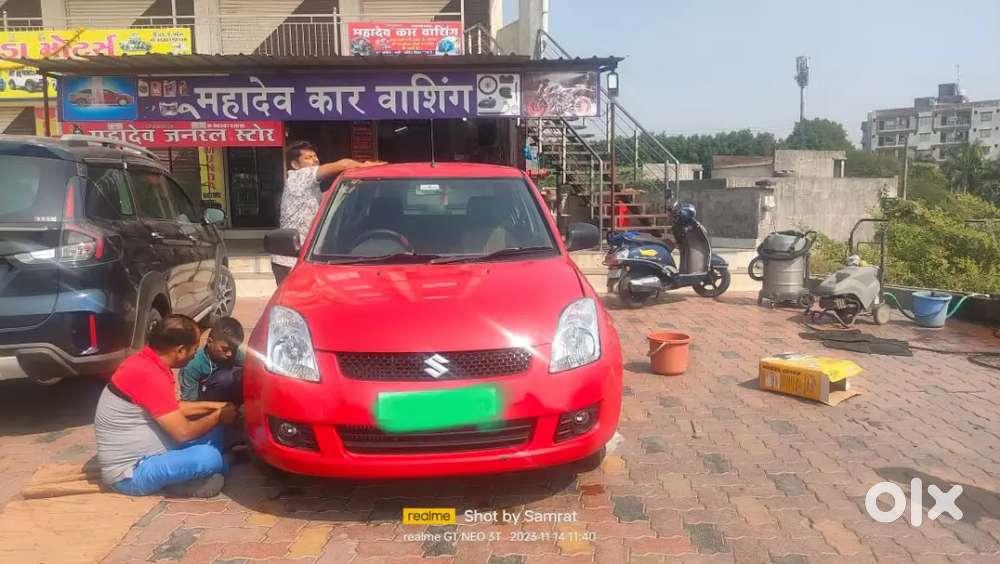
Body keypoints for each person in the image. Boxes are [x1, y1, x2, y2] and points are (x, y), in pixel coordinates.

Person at [94, 314, 237, 498]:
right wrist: (218, 415)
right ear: (180, 351)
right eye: (194, 349)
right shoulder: (150, 375)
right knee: (209, 457)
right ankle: (210, 470)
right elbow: (183, 433)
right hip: (131, 473)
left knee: (215, 431)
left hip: (154, 450)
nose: (196, 353)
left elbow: (172, 407)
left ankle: (199, 473)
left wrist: (218, 406)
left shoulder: (147, 363)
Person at [271, 141, 385, 285]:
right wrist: (365, 166)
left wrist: (348, 188)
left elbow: (326, 199)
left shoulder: (308, 187)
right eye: (308, 157)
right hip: (290, 258)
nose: (315, 160)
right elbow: (343, 165)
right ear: (295, 165)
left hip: (306, 256)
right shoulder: (299, 177)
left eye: (315, 156)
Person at [179, 316, 245, 405]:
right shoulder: (192, 366)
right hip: (206, 404)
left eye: (234, 349)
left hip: (228, 397)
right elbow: (189, 403)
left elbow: (251, 366)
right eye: (225, 349)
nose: (230, 354)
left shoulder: (233, 353)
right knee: (226, 377)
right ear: (210, 342)